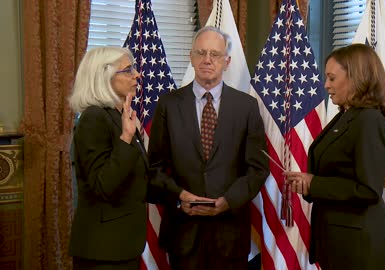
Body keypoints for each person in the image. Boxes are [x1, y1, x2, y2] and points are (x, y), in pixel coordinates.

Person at [148, 26, 269, 270]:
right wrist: (179, 197)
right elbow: (155, 168)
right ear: (191, 58)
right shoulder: (168, 105)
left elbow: (257, 168)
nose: (207, 60)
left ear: (227, 61)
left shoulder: (246, 107)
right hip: (183, 234)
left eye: (215, 54)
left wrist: (228, 200)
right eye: (201, 52)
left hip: (230, 234)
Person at [284, 43, 385, 270]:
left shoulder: (368, 121)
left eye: (332, 78)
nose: (326, 85)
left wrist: (314, 183)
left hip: (358, 246)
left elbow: (368, 189)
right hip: (340, 242)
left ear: (357, 78)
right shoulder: (347, 116)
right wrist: (308, 184)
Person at [69, 46, 151, 269]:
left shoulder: (118, 117)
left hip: (122, 246)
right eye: (128, 70)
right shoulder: (93, 119)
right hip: (102, 251)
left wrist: (181, 195)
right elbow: (103, 185)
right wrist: (126, 137)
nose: (137, 75)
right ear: (103, 78)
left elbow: (138, 180)